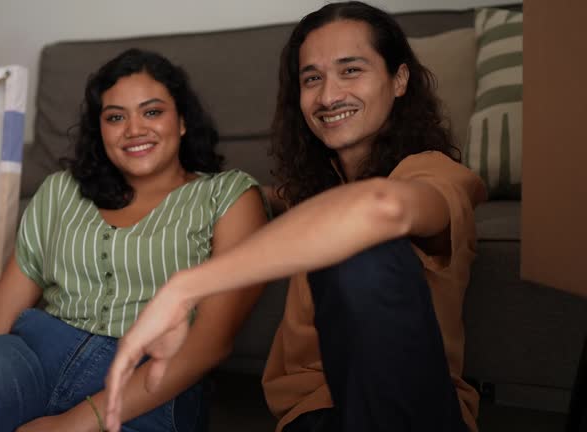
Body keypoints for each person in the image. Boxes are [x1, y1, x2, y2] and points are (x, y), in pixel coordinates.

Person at [104, 3, 486, 432]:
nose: (328, 96)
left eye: (351, 70)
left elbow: (381, 208)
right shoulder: (315, 190)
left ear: (399, 80)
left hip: (409, 410)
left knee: (357, 247)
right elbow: (253, 196)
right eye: (312, 79)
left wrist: (187, 288)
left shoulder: (433, 173)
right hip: (312, 418)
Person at [0, 48, 267, 432]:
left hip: (151, 380)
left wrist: (74, 422)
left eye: (152, 112)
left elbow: (210, 342)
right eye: (116, 117)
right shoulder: (62, 191)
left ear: (183, 119)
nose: (134, 129)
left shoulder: (228, 196)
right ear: (100, 129)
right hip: (33, 356)